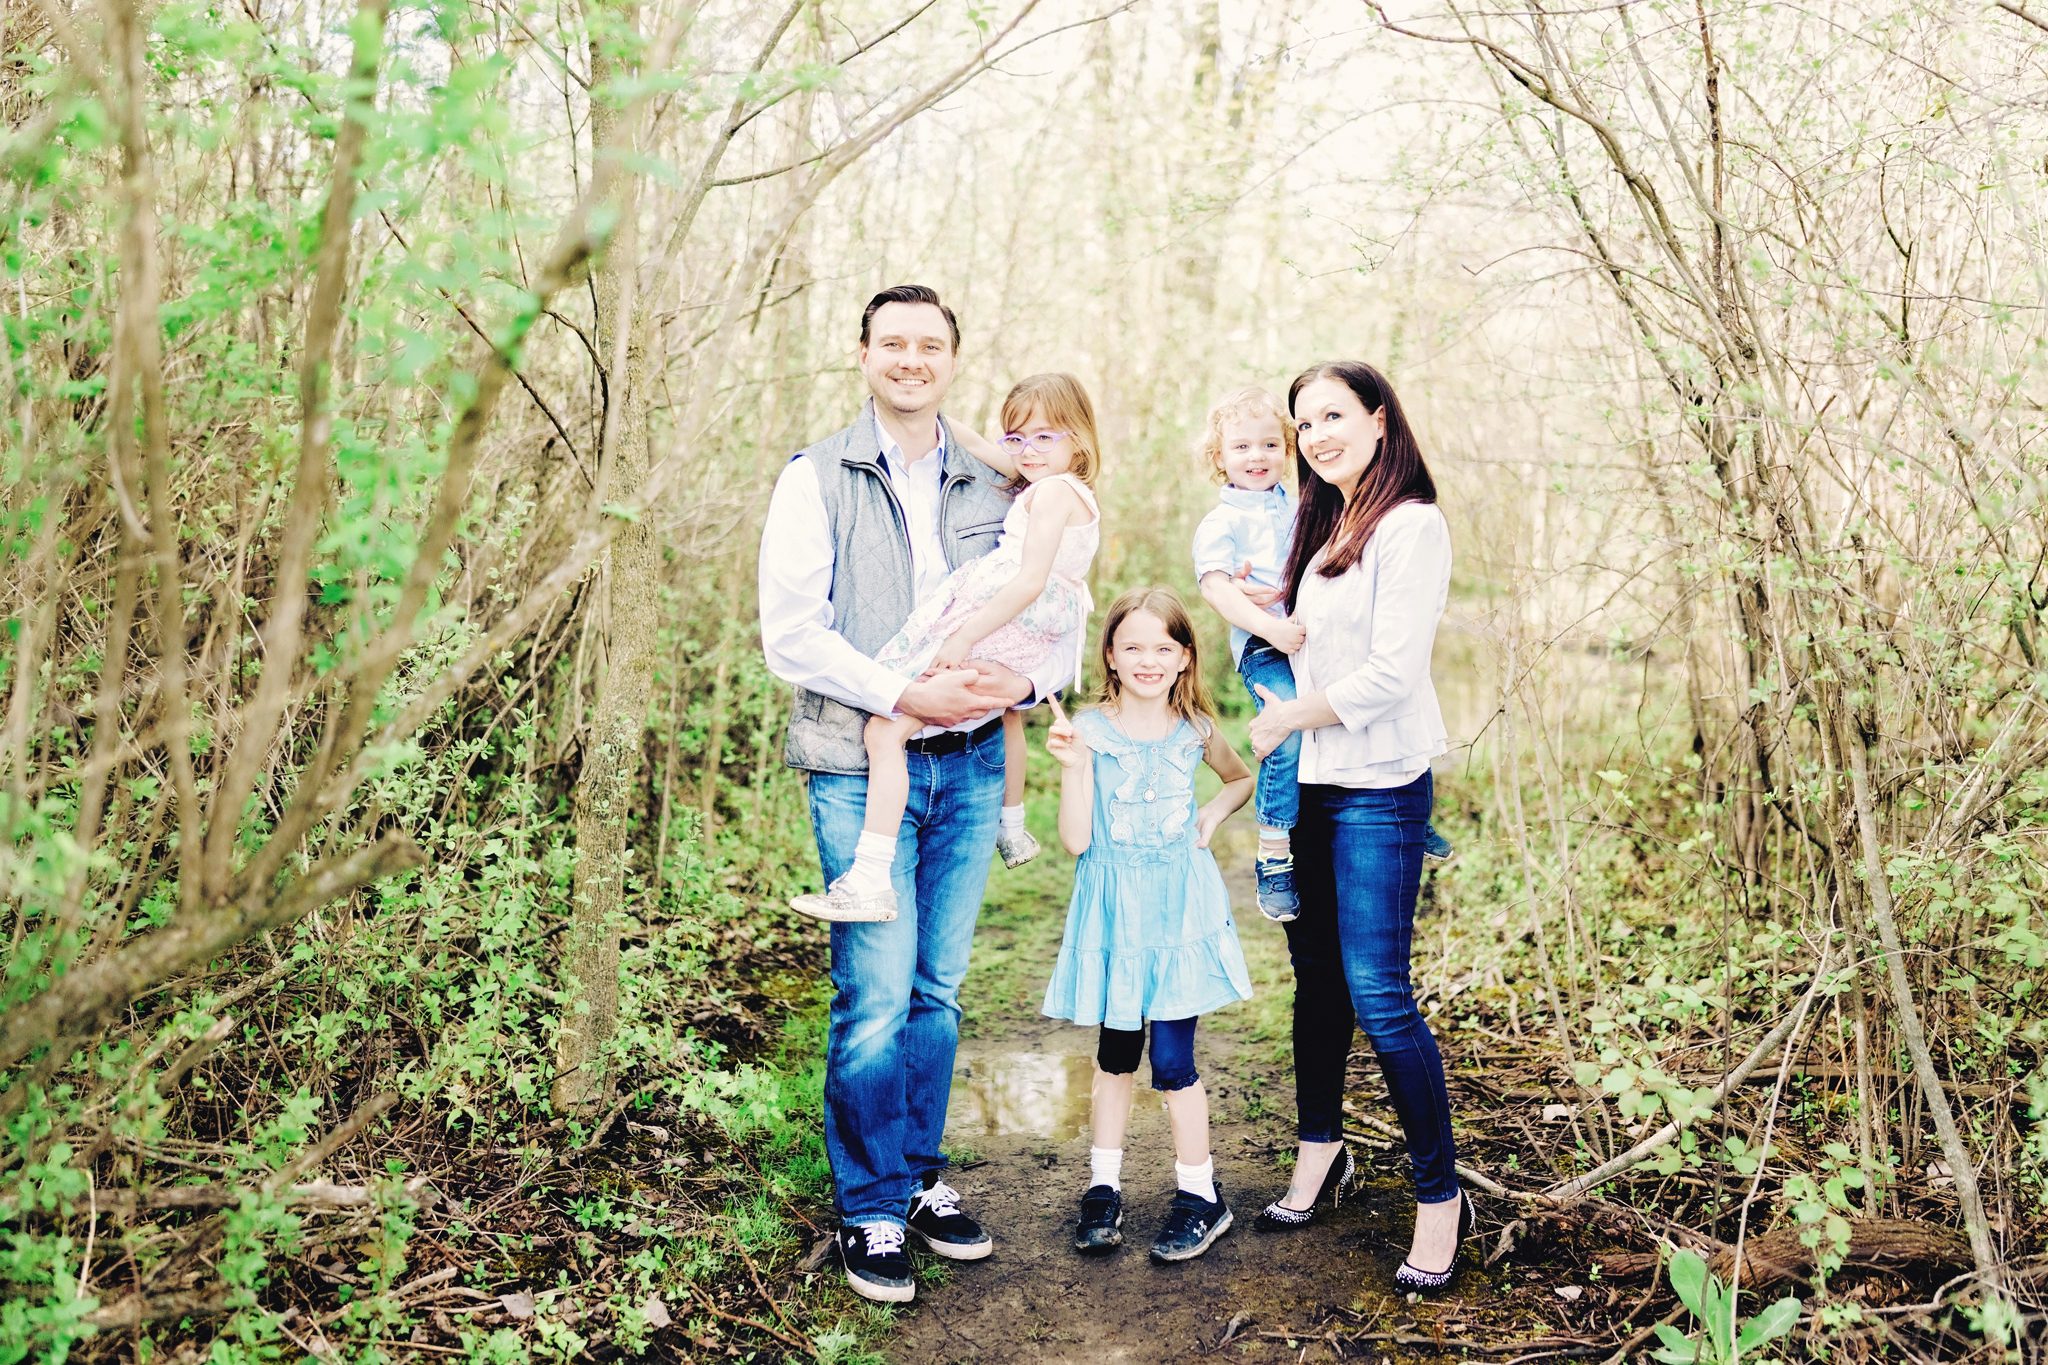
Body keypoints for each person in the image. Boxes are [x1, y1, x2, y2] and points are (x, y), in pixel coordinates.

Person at [758, 285, 1078, 1303]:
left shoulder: (996, 475)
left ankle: (917, 1175)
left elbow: (1052, 596)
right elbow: (791, 635)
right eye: (891, 342)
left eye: (928, 344)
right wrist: (905, 691)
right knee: (875, 997)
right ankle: (870, 1209)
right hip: (862, 762)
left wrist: (1030, 686)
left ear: (951, 358)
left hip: (976, 760)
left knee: (937, 992)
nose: (910, 358)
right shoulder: (814, 477)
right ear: (862, 353)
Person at [1245, 360, 1471, 1292]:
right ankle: (1320, 1153)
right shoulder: (1320, 522)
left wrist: (1289, 716)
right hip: (1308, 790)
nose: (1318, 433)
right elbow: (1307, 643)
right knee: (1317, 989)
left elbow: (1389, 674)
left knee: (1379, 991)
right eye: (1305, 423)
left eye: (1335, 414)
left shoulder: (1412, 526)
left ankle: (1438, 1196)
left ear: (1380, 419)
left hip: (1378, 787)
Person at [790, 374, 1103, 922]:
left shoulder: (1053, 491)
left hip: (1001, 618)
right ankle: (1010, 824)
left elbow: (1029, 580)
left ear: (1078, 439)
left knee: (885, 729)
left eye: (1044, 437)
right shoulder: (1049, 480)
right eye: (1017, 437)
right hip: (1022, 623)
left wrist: (961, 636)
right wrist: (931, 417)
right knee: (999, 715)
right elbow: (980, 446)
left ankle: (869, 878)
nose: (1026, 450)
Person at [1039, 587, 1255, 1264]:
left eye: (1164, 646)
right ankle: (1103, 1187)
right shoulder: (1089, 730)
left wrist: (1213, 814)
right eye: (1132, 645)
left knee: (1174, 1060)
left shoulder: (1196, 727)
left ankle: (1200, 1194)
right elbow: (1076, 840)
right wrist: (1074, 769)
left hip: (1178, 908)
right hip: (1116, 911)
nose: (1148, 658)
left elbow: (1238, 778)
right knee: (1115, 1051)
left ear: (1186, 656)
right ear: (1109, 653)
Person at [1192, 387, 1452, 928]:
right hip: (1268, 645)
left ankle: (1407, 813)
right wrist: (1269, 625)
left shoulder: (1306, 503)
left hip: (1311, 639)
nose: (1257, 457)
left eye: (1270, 444)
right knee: (1285, 730)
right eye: (1242, 447)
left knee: (1348, 702)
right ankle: (1272, 849)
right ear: (1219, 457)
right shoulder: (1222, 522)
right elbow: (1216, 589)